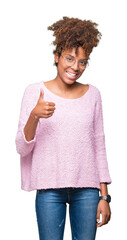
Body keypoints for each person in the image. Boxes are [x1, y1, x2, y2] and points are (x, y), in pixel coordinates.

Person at [15, 16, 112, 240]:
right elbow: (22, 148)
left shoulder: (93, 95)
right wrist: (34, 116)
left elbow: (99, 146)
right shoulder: (34, 92)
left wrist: (104, 197)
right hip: (49, 190)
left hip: (87, 191)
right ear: (57, 56)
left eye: (82, 62)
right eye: (69, 58)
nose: (75, 67)